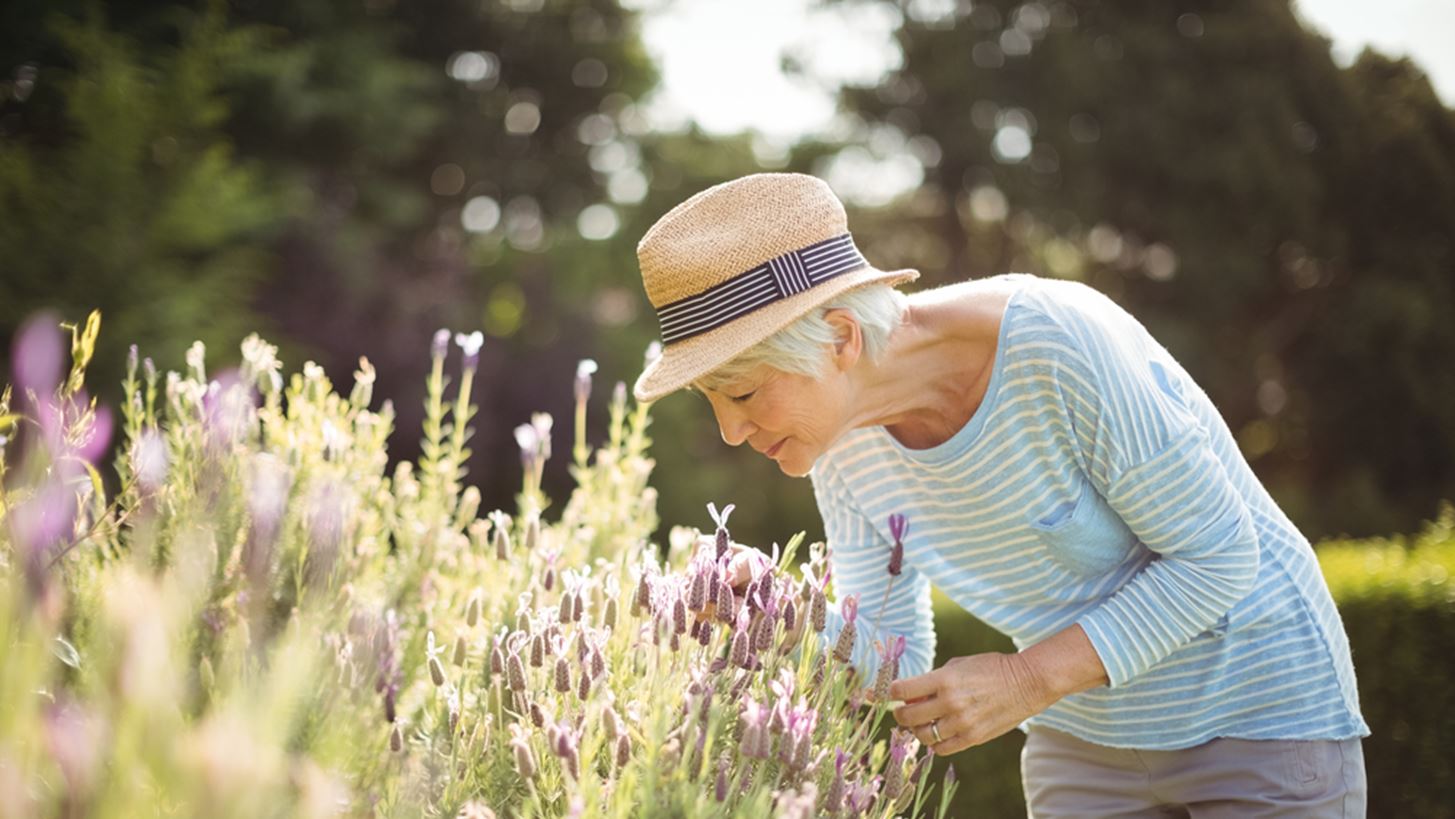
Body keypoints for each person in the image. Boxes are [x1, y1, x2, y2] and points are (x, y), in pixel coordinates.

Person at [631, 173, 1369, 817]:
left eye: (743, 392)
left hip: (1258, 715)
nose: (729, 431)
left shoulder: (1056, 343)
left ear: (841, 340)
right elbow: (891, 657)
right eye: (712, 401)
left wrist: (1023, 678)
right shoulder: (842, 446)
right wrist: (779, 613)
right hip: (1082, 744)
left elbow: (1217, 556)